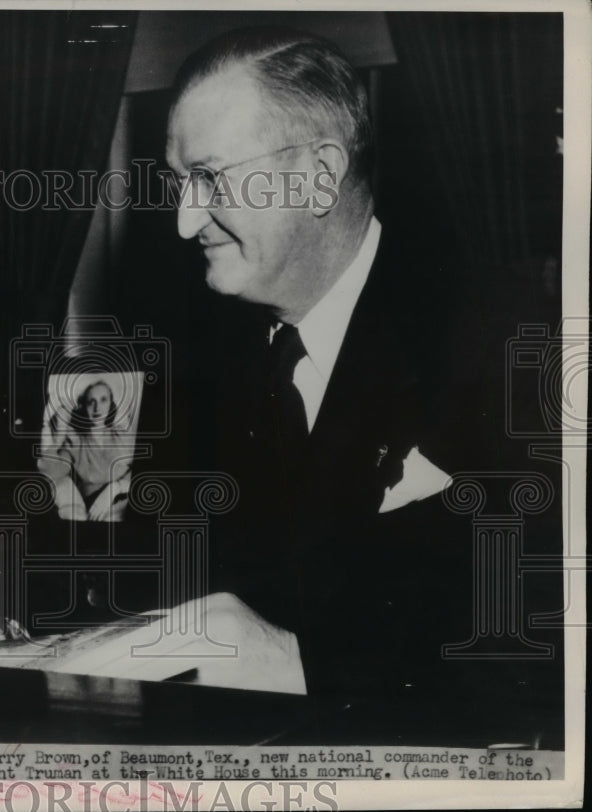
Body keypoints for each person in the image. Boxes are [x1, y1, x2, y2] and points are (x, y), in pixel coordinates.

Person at [163, 27, 510, 695]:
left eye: (208, 178)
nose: (184, 221)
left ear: (318, 176)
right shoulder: (202, 372)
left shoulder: (498, 342)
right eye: (178, 183)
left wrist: (306, 665)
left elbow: (541, 641)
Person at [39, 379, 135, 522]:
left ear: (111, 404)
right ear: (84, 407)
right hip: (94, 514)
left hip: (125, 502)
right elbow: (51, 474)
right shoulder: (76, 443)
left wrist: (114, 489)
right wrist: (59, 438)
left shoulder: (122, 435)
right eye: (91, 402)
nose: (97, 408)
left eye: (103, 400)